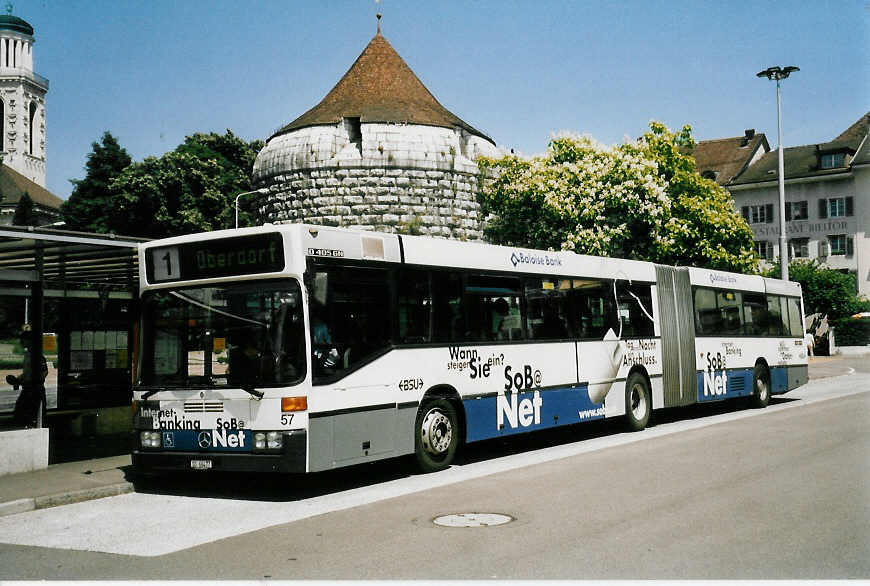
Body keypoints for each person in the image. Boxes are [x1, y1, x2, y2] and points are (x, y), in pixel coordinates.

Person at [10, 325, 48, 429]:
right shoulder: (28, 354)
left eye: (23, 339)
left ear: (29, 341)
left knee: (28, 415)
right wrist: (19, 379)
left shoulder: (37, 354)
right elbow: (28, 372)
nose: (21, 341)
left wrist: (34, 382)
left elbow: (44, 372)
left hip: (34, 390)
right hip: (28, 389)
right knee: (21, 414)